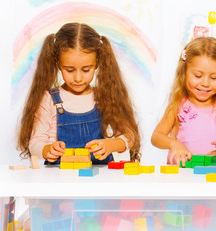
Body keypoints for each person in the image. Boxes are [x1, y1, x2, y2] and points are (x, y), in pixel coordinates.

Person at [17, 22, 141, 165]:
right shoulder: (49, 99)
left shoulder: (105, 96)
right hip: (60, 177)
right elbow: (35, 143)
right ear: (58, 63)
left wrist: (112, 145)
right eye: (69, 70)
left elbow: (130, 136)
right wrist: (46, 150)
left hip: (99, 178)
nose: (77, 78)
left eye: (86, 70)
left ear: (97, 63)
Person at [151, 37, 216, 167]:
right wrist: (174, 144)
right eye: (197, 76)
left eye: (214, 77)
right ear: (184, 72)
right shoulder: (178, 105)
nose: (205, 83)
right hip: (184, 175)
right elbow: (156, 137)